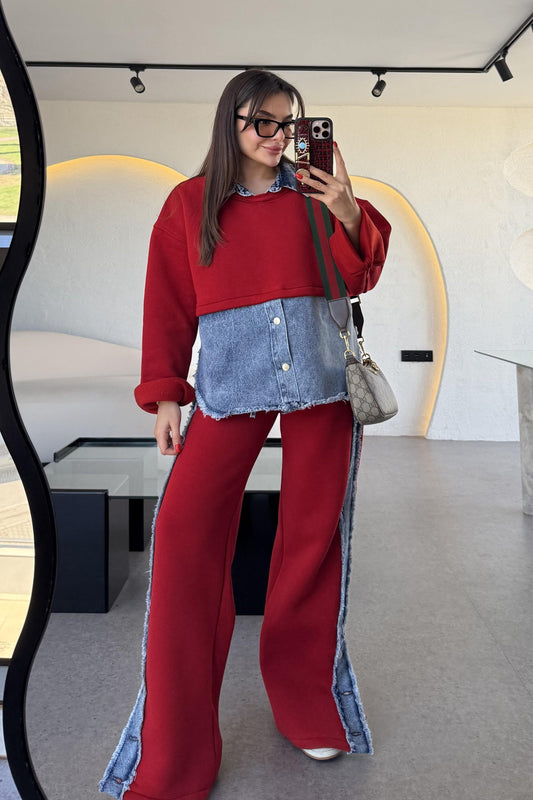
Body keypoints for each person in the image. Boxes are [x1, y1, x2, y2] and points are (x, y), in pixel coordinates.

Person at [99, 68, 391, 800]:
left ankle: (306, 704)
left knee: (312, 545)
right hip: (230, 391)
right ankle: (177, 750)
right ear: (230, 122)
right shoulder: (189, 204)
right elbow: (167, 304)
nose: (278, 136)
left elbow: (360, 276)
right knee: (183, 542)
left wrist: (347, 209)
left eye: (288, 122)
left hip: (322, 386)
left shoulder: (315, 195)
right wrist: (166, 396)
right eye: (263, 121)